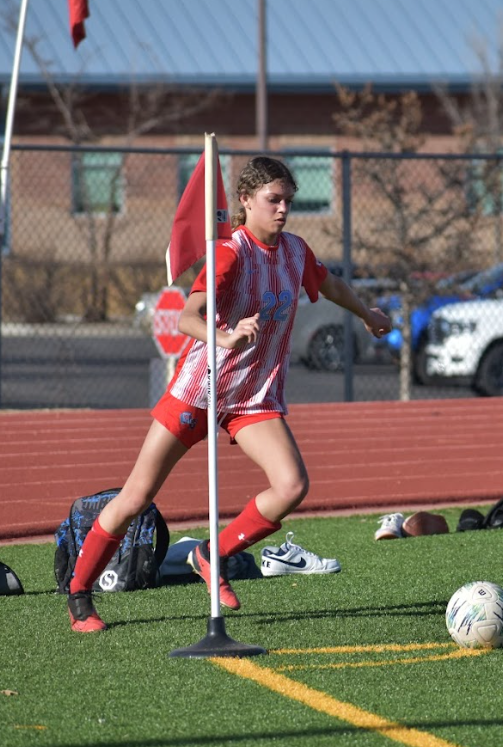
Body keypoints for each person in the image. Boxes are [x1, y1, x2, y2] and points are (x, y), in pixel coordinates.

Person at [67, 156, 392, 632]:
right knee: (136, 497)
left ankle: (209, 555)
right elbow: (187, 317)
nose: (282, 210)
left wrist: (366, 312)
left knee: (291, 486)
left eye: (288, 201)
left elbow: (331, 283)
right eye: (272, 200)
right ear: (245, 200)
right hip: (199, 391)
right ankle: (79, 594)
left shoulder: (296, 252)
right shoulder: (228, 253)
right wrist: (225, 337)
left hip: (252, 397)